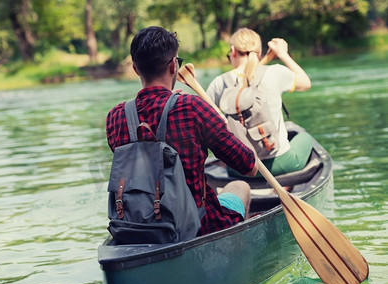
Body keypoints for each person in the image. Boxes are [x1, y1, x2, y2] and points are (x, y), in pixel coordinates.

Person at [106, 26, 257, 236]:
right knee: (240, 187)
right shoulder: (193, 108)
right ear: (174, 66)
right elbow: (249, 166)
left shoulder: (115, 117)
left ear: (135, 68)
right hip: (198, 224)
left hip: (137, 226)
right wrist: (237, 132)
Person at [206, 28, 313, 176]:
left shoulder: (219, 83)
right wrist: (283, 54)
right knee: (305, 137)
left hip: (239, 170)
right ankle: (286, 187)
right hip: (280, 163)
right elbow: (306, 83)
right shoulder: (274, 72)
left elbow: (207, 125)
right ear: (259, 53)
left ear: (233, 51)